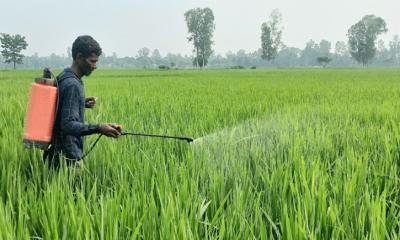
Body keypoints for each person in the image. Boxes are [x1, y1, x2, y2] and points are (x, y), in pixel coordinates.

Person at [44, 35, 122, 168]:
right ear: (79, 57)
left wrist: (81, 103)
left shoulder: (64, 76)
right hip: (67, 157)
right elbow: (67, 125)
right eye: (92, 61)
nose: (95, 66)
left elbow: (60, 105)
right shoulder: (73, 84)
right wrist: (99, 128)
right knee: (71, 189)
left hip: (55, 152)